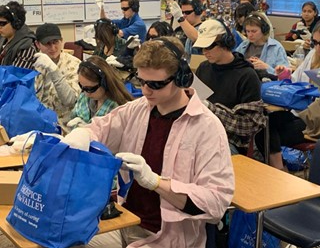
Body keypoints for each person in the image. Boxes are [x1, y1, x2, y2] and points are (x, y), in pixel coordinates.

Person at [65, 36, 234, 248]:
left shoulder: (207, 127)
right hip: (126, 220)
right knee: (61, 239)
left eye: (156, 84)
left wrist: (155, 182)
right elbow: (101, 128)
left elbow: (216, 203)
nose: (146, 91)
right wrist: (80, 135)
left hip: (167, 236)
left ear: (181, 79)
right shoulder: (138, 108)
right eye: (142, 81)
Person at [193, 19, 266, 156]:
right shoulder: (203, 68)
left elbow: (248, 126)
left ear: (225, 42)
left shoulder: (247, 75)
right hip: (201, 132)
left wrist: (211, 109)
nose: (205, 52)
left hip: (230, 141)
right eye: (202, 48)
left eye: (209, 47)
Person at [255, 22, 320, 170]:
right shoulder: (312, 55)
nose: (317, 47)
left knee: (268, 134)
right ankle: (281, 168)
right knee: (262, 125)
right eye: (315, 43)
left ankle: (279, 171)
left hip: (315, 121)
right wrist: (284, 76)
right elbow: (296, 82)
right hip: (302, 113)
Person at [34, 23, 81, 134]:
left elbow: (70, 100)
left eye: (56, 42)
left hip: (63, 128)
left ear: (62, 41)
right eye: (47, 44)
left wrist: (53, 70)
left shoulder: (74, 65)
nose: (53, 48)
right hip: (38, 124)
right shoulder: (35, 63)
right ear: (37, 45)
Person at [67, 55, 133, 129]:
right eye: (82, 86)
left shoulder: (118, 109)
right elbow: (72, 118)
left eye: (90, 89)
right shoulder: (84, 98)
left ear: (104, 83)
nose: (86, 93)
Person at [236, 12, 289, 80]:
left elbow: (285, 77)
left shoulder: (276, 48)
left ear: (264, 30)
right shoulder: (243, 45)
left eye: (254, 31)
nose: (250, 35)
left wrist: (266, 68)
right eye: (248, 31)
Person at [0, 1, 37, 68]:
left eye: (2, 24)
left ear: (16, 24)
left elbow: (15, 76)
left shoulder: (26, 47)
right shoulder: (4, 39)